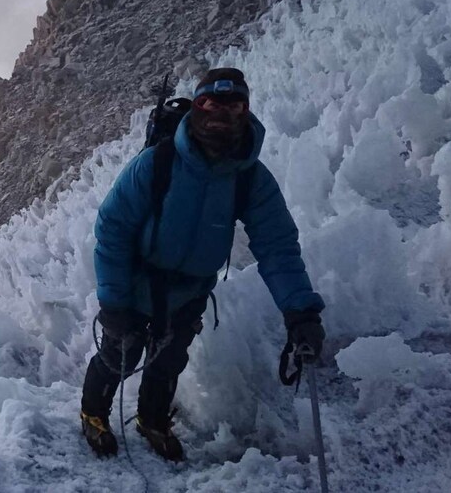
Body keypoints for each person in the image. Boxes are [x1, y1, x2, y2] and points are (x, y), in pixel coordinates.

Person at [79, 68, 326, 461]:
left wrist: (300, 311)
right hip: (139, 280)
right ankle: (93, 413)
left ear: (246, 112)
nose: (220, 114)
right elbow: (113, 228)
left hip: (190, 290)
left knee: (168, 361)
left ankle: (152, 420)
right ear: (195, 107)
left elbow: (277, 245)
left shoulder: (249, 178)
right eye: (209, 103)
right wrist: (114, 302)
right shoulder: (157, 163)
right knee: (119, 355)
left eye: (233, 106)